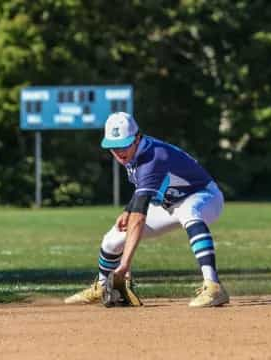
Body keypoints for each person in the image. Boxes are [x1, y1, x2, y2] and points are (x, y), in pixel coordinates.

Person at [64, 112, 229, 307]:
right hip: (169, 204)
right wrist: (128, 209)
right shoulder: (134, 153)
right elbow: (143, 189)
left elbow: (139, 218)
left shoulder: (153, 158)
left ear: (137, 138)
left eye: (123, 145)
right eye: (113, 147)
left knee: (189, 212)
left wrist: (124, 265)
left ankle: (213, 286)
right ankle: (102, 287)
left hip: (203, 196)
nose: (118, 152)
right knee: (113, 238)